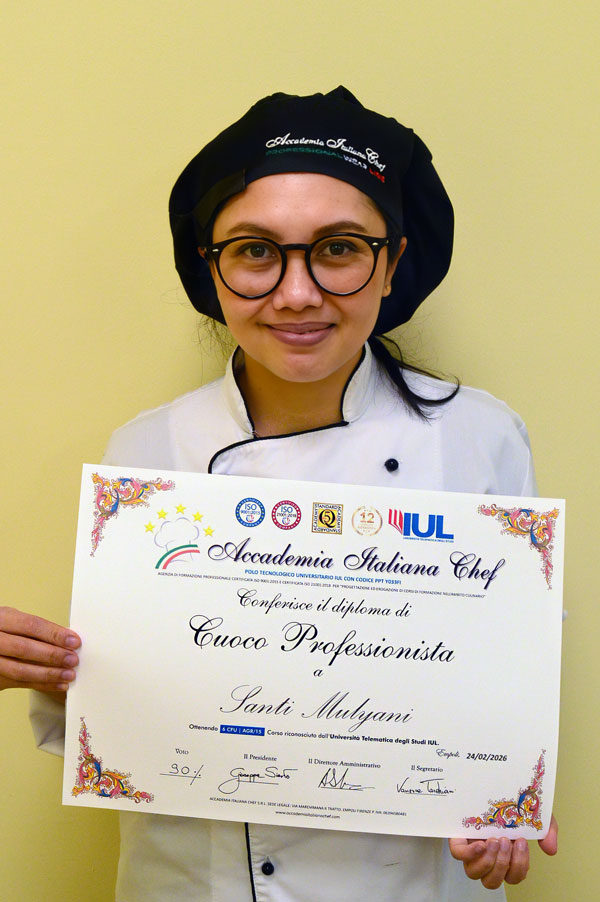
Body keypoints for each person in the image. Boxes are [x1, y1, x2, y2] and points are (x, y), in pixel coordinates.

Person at [2, 87, 557, 900]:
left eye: (339, 248)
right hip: (196, 881)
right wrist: (55, 669)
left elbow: (504, 685)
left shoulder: (480, 438)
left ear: (392, 262)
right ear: (212, 267)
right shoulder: (146, 452)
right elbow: (133, 718)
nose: (297, 293)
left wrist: (503, 800)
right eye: (256, 251)